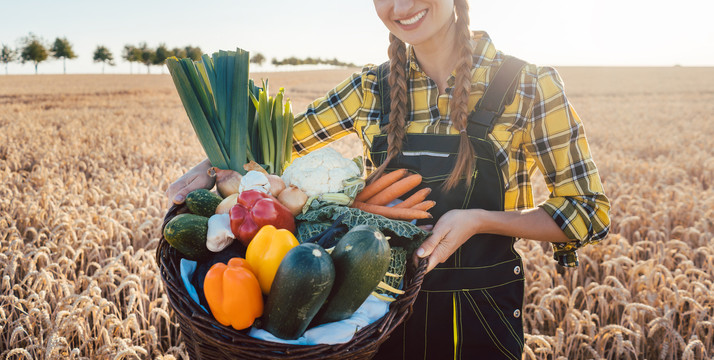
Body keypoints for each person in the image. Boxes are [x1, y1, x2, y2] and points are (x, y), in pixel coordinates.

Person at [166, 0, 610, 358]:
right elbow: (268, 154)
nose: (401, 5)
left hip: (481, 317)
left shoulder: (528, 86)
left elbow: (587, 211)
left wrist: (477, 219)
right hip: (375, 316)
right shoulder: (369, 89)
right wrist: (214, 166)